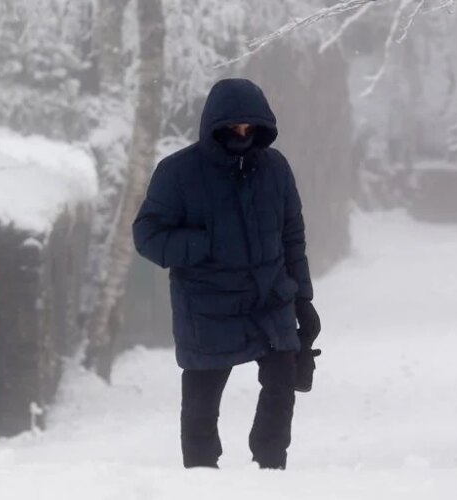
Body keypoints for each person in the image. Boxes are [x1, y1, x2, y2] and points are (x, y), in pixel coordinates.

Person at [133, 78, 321, 470]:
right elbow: (147, 235)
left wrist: (303, 299)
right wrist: (204, 245)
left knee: (282, 384)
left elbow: (292, 237)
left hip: (270, 300)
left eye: (249, 128)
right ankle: (202, 477)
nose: (241, 134)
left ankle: (271, 466)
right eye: (233, 128)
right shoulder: (178, 173)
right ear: (212, 126)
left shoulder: (275, 168)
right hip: (206, 305)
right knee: (201, 403)